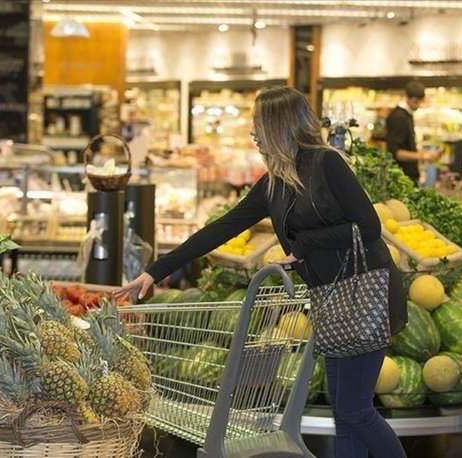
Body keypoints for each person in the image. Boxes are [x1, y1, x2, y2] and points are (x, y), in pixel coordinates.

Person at [115, 86, 408, 458]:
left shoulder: (327, 163)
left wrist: (303, 245)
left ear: (279, 126)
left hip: (367, 296)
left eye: (258, 124)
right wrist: (155, 271)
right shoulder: (274, 184)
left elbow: (368, 227)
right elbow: (222, 228)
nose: (253, 132)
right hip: (332, 301)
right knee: (346, 412)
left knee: (355, 411)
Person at [385, 81, 438, 184]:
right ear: (407, 97)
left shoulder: (406, 115)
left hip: (405, 176)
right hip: (401, 178)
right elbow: (396, 152)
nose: (418, 105)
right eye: (415, 101)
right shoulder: (399, 118)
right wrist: (422, 156)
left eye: (419, 101)